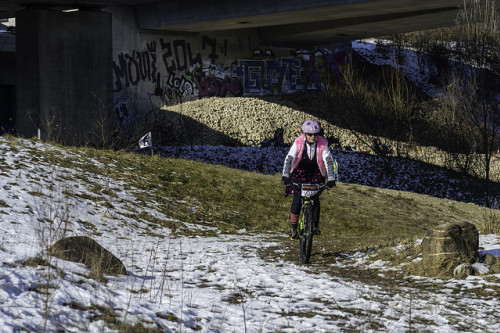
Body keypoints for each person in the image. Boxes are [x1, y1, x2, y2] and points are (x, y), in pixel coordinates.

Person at [282, 119, 336, 239]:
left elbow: (329, 161)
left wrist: (331, 178)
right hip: (299, 172)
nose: (313, 137)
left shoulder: (323, 144)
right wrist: (285, 175)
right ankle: (293, 227)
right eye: (310, 134)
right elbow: (289, 158)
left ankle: (315, 226)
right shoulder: (298, 142)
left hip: (316, 173)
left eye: (316, 134)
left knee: (315, 199)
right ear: (305, 134)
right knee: (297, 198)